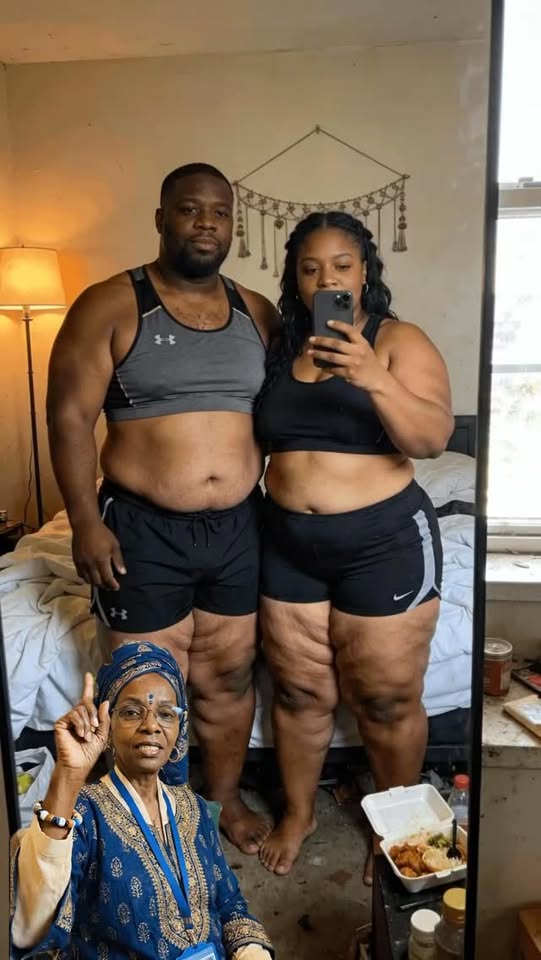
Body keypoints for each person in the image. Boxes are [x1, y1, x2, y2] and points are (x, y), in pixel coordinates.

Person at [46, 162, 278, 854]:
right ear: (160, 218)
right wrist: (85, 522)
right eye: (189, 209)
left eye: (220, 212)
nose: (206, 223)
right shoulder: (110, 304)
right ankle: (152, 822)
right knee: (146, 690)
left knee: (228, 676)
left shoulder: (257, 310)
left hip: (237, 527)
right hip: (142, 529)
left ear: (232, 225)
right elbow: (67, 416)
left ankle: (222, 800)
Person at [254, 211, 454, 880]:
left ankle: (398, 831)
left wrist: (373, 376)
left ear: (364, 272)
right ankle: (298, 814)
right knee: (297, 692)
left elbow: (431, 438)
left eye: (341, 266)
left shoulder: (398, 340)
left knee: (387, 700)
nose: (326, 280)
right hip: (287, 542)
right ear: (295, 278)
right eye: (310, 269)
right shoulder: (281, 347)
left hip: (382, 543)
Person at [10, 641, 274, 960]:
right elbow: (31, 927)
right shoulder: (83, 816)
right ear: (107, 725)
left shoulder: (194, 808)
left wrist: (250, 951)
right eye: (132, 712)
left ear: (180, 727)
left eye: (166, 714)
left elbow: (229, 904)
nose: (151, 726)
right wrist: (68, 774)